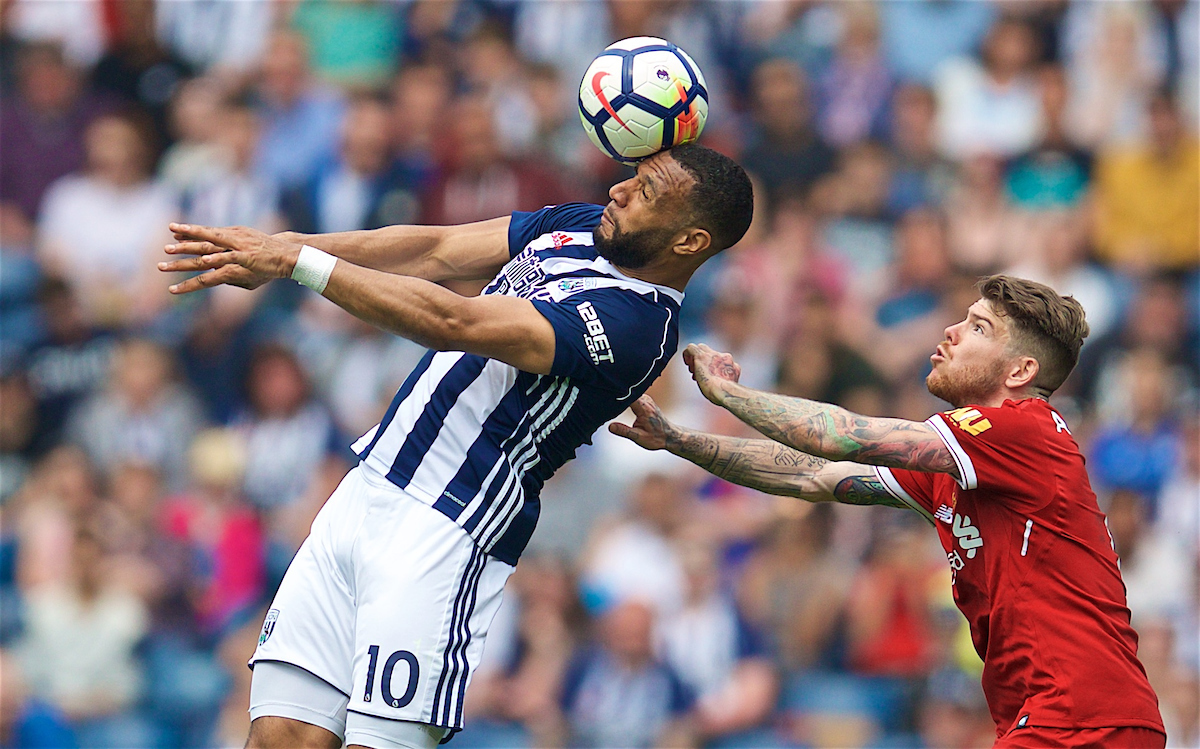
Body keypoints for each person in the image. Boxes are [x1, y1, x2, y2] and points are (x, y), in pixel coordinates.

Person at [156, 143, 754, 749]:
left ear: (690, 242)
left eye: (646, 193)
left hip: (449, 525)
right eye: (633, 177)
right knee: (278, 736)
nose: (619, 191)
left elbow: (456, 321)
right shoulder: (579, 226)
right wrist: (282, 247)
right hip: (368, 487)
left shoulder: (635, 328)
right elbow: (434, 249)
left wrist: (297, 263)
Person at [612, 275, 1167, 748]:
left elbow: (842, 437)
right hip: (1055, 715)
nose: (951, 331)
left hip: (1083, 716)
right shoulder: (961, 464)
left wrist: (727, 394)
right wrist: (681, 440)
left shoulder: (1023, 429)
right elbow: (807, 474)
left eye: (979, 328)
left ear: (1019, 372)